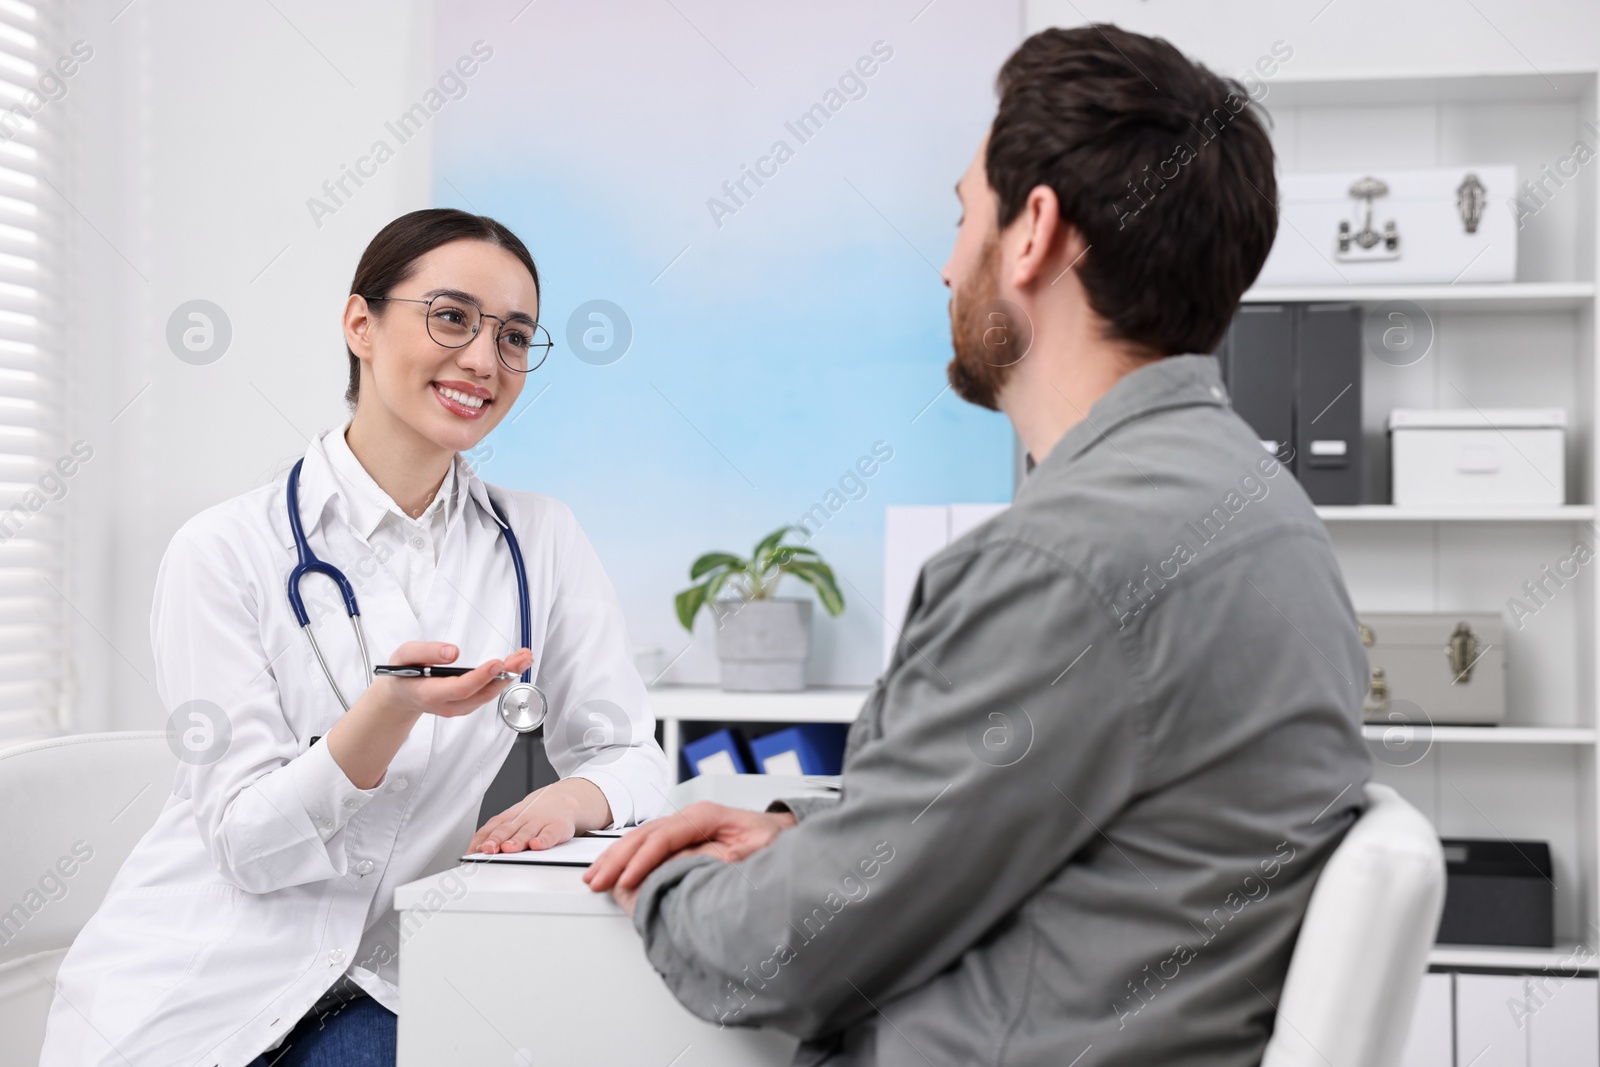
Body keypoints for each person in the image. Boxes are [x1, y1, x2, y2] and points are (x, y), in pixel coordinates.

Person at [585, 24, 1372, 1066]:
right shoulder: (1258, 508)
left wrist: (668, 874)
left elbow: (777, 956)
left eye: (964, 217)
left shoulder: (1068, 562)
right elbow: (1061, 829)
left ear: (1034, 231)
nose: (950, 263)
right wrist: (808, 829)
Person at [40, 209, 669, 1067]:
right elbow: (249, 847)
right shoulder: (224, 551)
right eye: (452, 317)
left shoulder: (541, 540)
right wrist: (385, 713)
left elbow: (633, 752)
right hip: (189, 1002)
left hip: (374, 992)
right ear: (360, 325)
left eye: (515, 335)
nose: (484, 360)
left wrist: (572, 798)